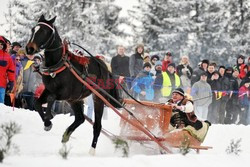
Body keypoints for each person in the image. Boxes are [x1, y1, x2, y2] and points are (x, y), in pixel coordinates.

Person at [0, 36, 15, 104]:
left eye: (2, 44)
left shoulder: (7, 56)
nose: (0, 45)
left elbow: (11, 70)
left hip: (1, 84)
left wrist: (11, 82)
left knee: (1, 105)